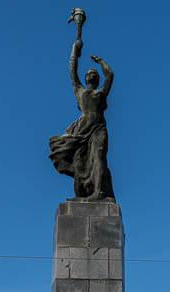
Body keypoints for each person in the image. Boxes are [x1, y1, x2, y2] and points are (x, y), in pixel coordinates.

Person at [48, 36, 115, 200]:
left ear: (97, 79)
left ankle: (98, 192)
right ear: (85, 79)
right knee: (79, 163)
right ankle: (81, 195)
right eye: (88, 73)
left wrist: (100, 61)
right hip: (81, 131)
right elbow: (72, 69)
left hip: (98, 129)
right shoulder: (79, 91)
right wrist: (75, 48)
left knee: (98, 156)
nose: (91, 73)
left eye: (93, 73)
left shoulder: (101, 93)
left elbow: (110, 75)